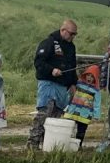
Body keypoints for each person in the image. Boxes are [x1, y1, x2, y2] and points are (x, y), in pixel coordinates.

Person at [30, 19, 79, 150]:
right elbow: (39, 63)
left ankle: (48, 143)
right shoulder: (49, 42)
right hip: (48, 84)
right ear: (63, 30)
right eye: (71, 33)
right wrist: (52, 70)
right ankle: (33, 143)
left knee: (56, 117)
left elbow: (72, 67)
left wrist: (73, 84)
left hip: (63, 87)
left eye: (75, 34)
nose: (73, 36)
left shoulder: (71, 47)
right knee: (44, 113)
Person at [62, 64, 101, 146]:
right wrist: (65, 106)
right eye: (88, 75)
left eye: (92, 76)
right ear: (85, 75)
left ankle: (78, 146)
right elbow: (69, 95)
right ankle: (65, 144)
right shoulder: (78, 84)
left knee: (81, 131)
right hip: (72, 111)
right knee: (68, 128)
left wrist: (96, 115)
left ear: (95, 78)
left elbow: (97, 104)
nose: (89, 78)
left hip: (85, 114)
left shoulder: (96, 91)